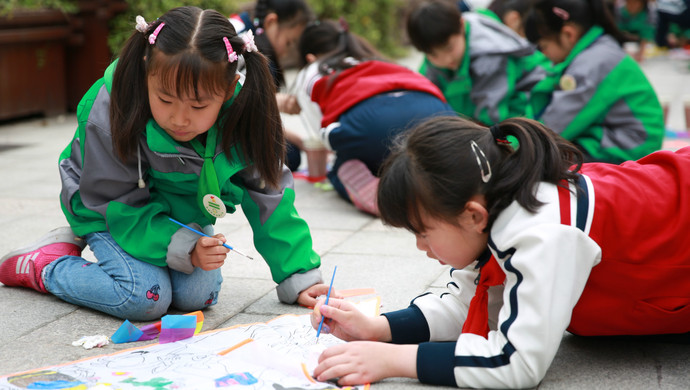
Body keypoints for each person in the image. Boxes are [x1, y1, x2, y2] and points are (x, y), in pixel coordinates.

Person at [0, 6, 333, 321]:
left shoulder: (245, 115)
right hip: (107, 208)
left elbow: (269, 196)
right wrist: (188, 248)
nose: (179, 118)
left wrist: (299, 276)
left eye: (198, 105)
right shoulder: (110, 108)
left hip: (182, 212)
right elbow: (113, 201)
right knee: (144, 296)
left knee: (197, 297)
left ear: (229, 88)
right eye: (165, 99)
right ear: (147, 71)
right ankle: (46, 266)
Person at [308, 115, 690, 388]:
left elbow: (517, 362)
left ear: (472, 214)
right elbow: (472, 302)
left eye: (423, 233)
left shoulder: (544, 234)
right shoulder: (501, 203)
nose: (421, 248)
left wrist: (393, 360)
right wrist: (380, 329)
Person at [289, 19, 454, 215]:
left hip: (372, 124)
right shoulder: (374, 58)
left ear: (309, 57)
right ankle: (439, 181)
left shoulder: (313, 69)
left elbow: (322, 135)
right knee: (424, 158)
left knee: (341, 161)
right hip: (435, 111)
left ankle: (378, 190)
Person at [524, 0, 664, 163]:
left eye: (543, 47)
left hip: (630, 146)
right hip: (624, 137)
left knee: (544, 159)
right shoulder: (598, 49)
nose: (543, 55)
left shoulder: (591, 65)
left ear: (569, 34)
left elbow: (552, 127)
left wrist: (511, 147)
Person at [406, 0, 547, 125]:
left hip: (526, 108)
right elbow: (424, 100)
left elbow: (492, 119)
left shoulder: (490, 55)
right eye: (432, 55)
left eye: (449, 48)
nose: (445, 59)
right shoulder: (436, 56)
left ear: (462, 25)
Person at [229, 0, 314, 172]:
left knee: (290, 149)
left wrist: (295, 138)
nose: (287, 50)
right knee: (288, 156)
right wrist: (276, 100)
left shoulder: (241, 26)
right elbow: (230, 98)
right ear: (271, 22)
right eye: (289, 42)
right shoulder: (244, 43)